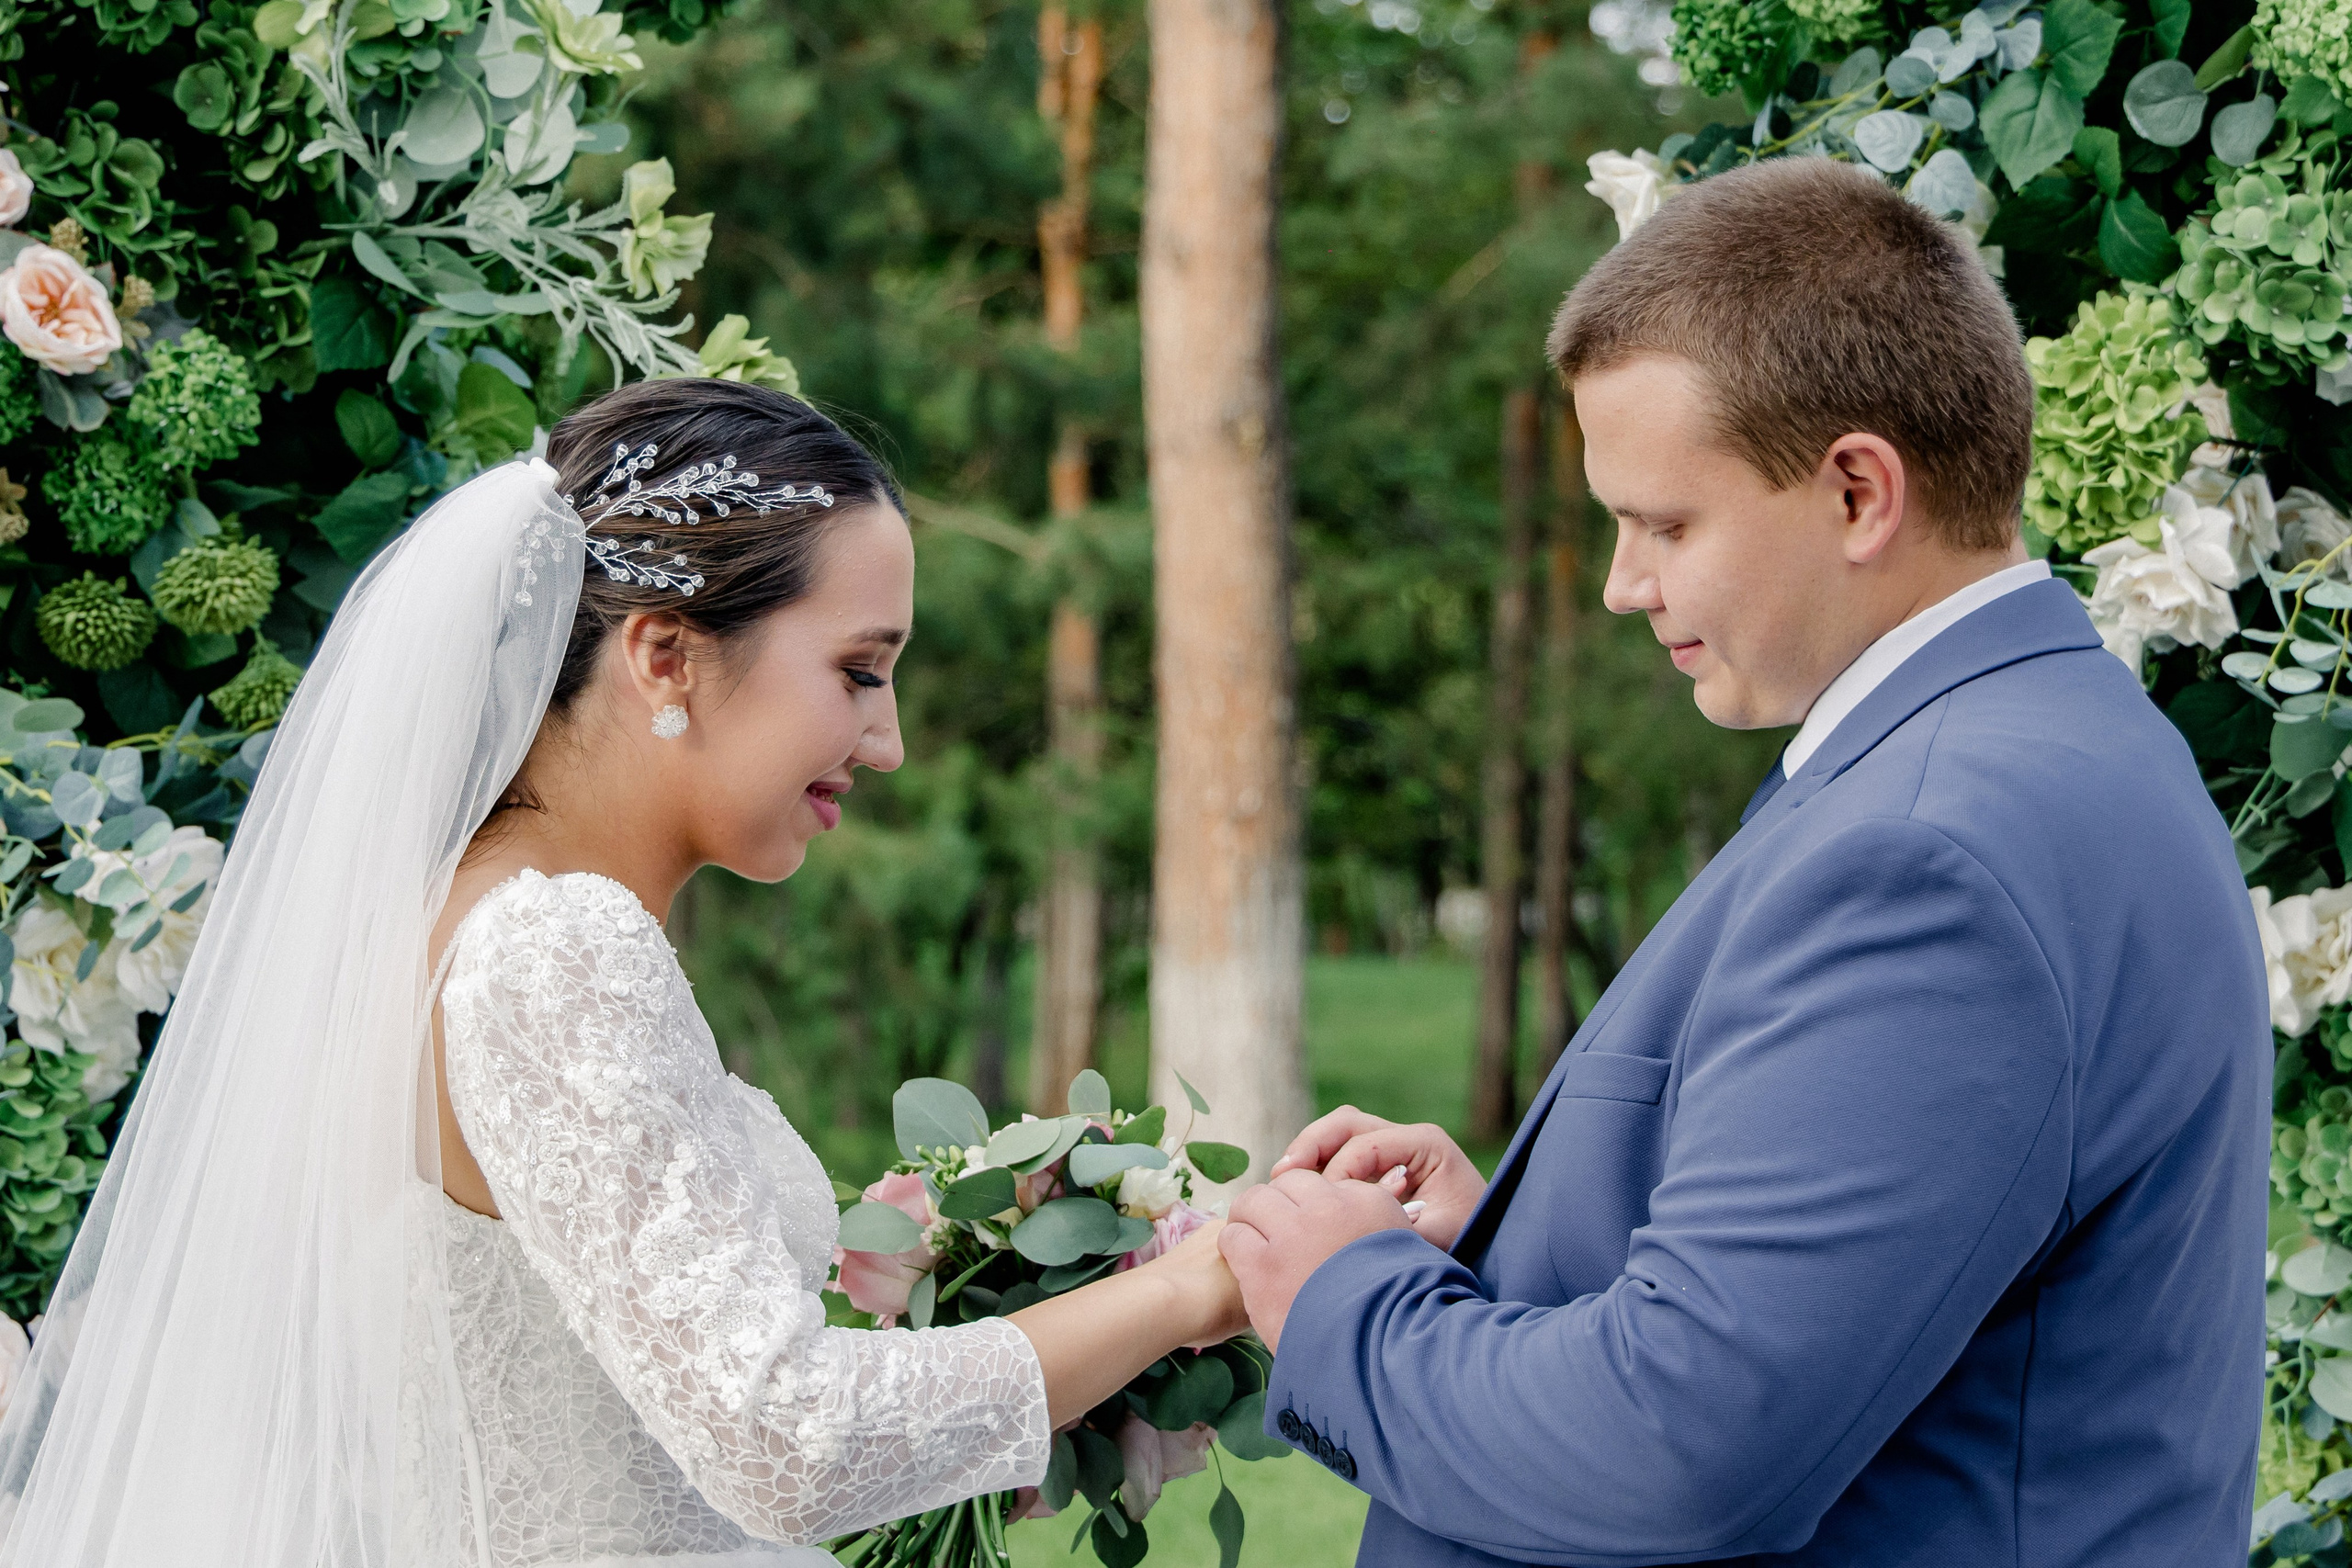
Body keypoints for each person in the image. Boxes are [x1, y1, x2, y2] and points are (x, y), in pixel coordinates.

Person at [1217, 157, 2270, 1565]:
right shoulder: (2014, 749)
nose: (1621, 582)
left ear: (1855, 493)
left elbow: (1679, 1453)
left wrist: (1345, 1303)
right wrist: (1513, 1245)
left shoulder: (1930, 849)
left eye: (1664, 522)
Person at [0, 378, 1246, 1567]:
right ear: (663, 657)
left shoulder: (438, 930)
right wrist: (1192, 1289)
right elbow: (785, 1439)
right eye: (860, 672)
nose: (890, 741)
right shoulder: (559, 952)